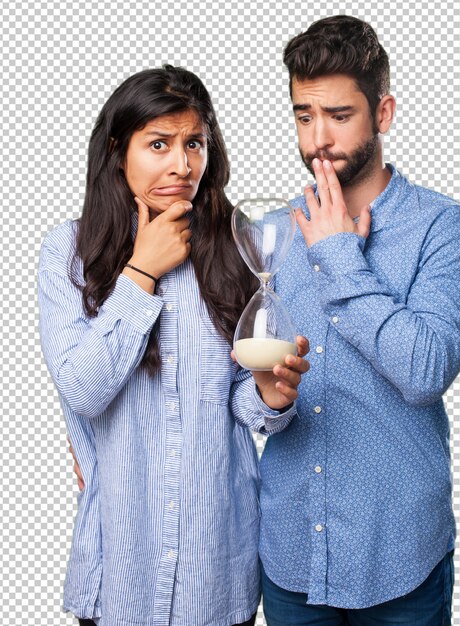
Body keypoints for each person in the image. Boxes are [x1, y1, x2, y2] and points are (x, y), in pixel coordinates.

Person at [38, 65, 309, 626]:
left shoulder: (239, 245)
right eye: (158, 144)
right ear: (118, 150)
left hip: (217, 571)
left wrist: (270, 395)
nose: (181, 166)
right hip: (120, 575)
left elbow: (243, 405)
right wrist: (141, 273)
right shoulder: (70, 251)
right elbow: (84, 389)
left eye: (194, 144)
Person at [259, 16, 460, 626]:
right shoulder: (274, 232)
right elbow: (244, 388)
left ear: (382, 113)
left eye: (338, 115)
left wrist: (338, 258)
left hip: (399, 557)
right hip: (290, 551)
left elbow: (424, 369)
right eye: (303, 116)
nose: (318, 140)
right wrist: (269, 399)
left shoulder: (447, 229)